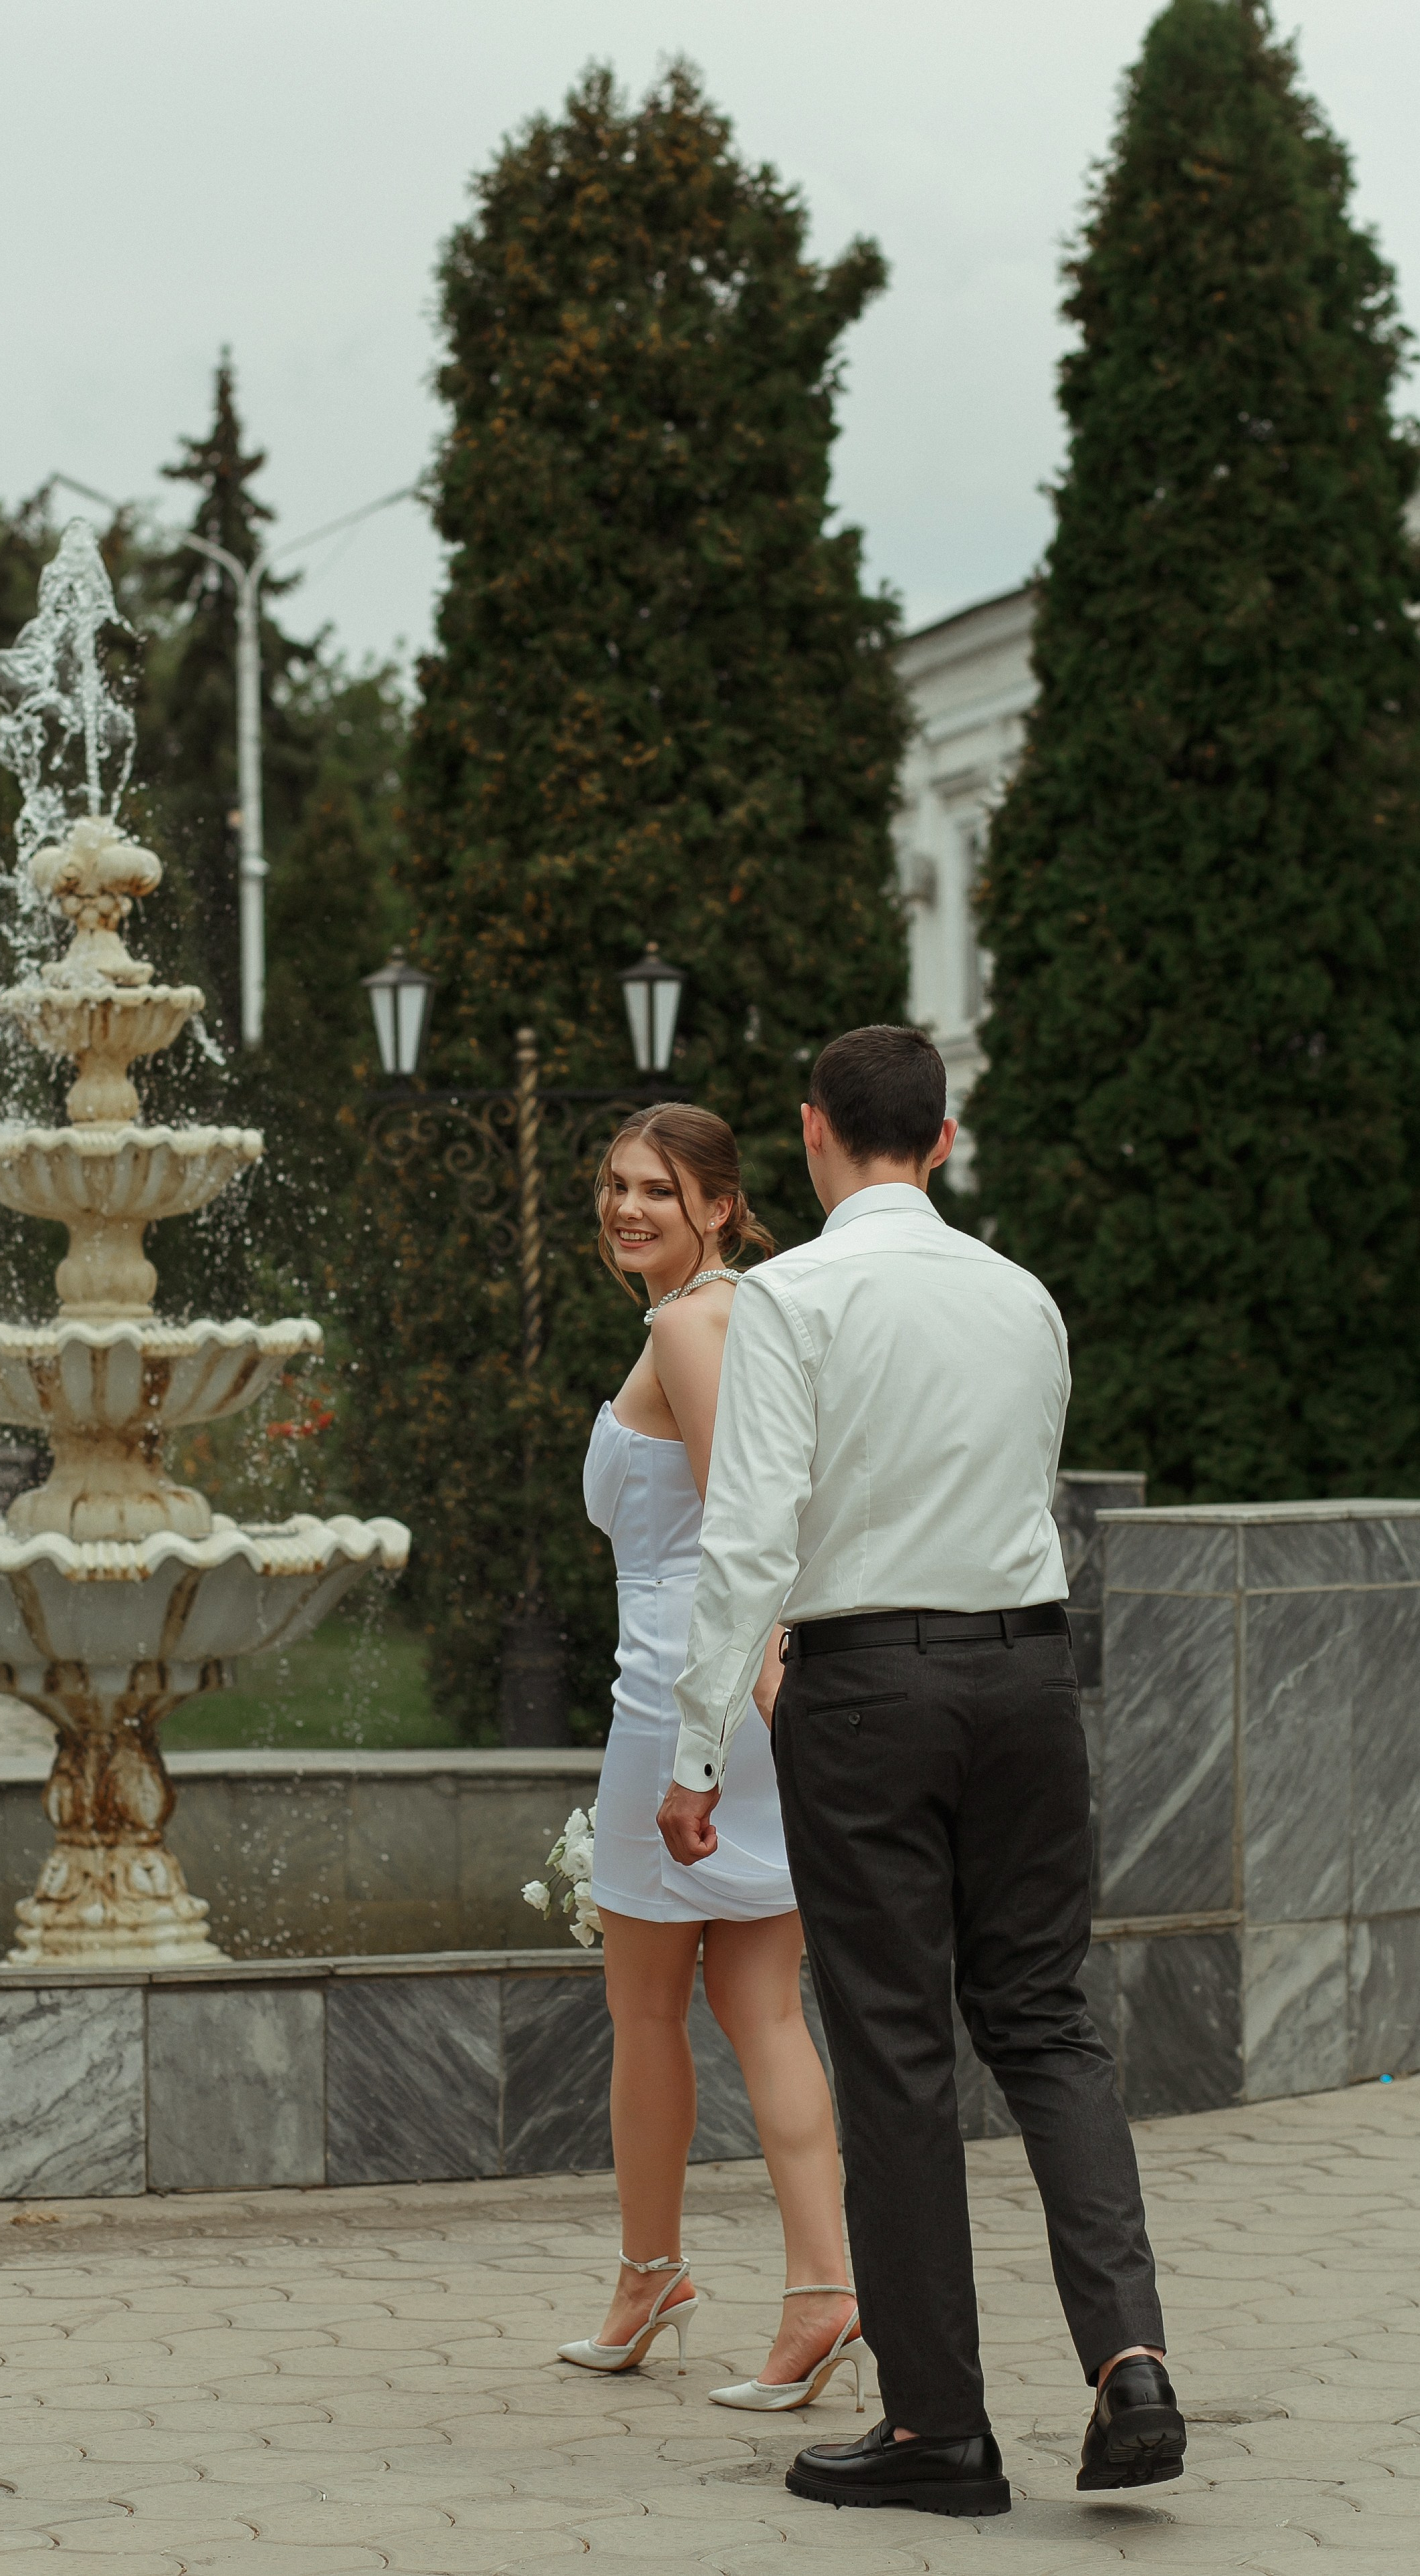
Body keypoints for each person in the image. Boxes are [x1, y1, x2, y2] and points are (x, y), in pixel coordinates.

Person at [658, 1026, 1187, 2519]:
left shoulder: (791, 1295)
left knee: (892, 2045)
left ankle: (938, 2433)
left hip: (868, 1687)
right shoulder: (1024, 1297)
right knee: (1044, 2020)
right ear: (940, 1142)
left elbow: (751, 1537)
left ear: (815, 1135)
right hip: (1027, 1679)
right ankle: (1130, 2359)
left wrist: (697, 1752)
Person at [557, 1103, 864, 2414]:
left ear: (720, 1207)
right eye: (620, 1186)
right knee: (763, 2010)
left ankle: (651, 2277)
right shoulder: (756, 1310)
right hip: (737, 1697)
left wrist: (745, 1698)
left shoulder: (690, 1323)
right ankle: (817, 2294)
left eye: (661, 1192)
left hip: (681, 1705)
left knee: (642, 2013)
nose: (630, 1209)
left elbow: (754, 1519)